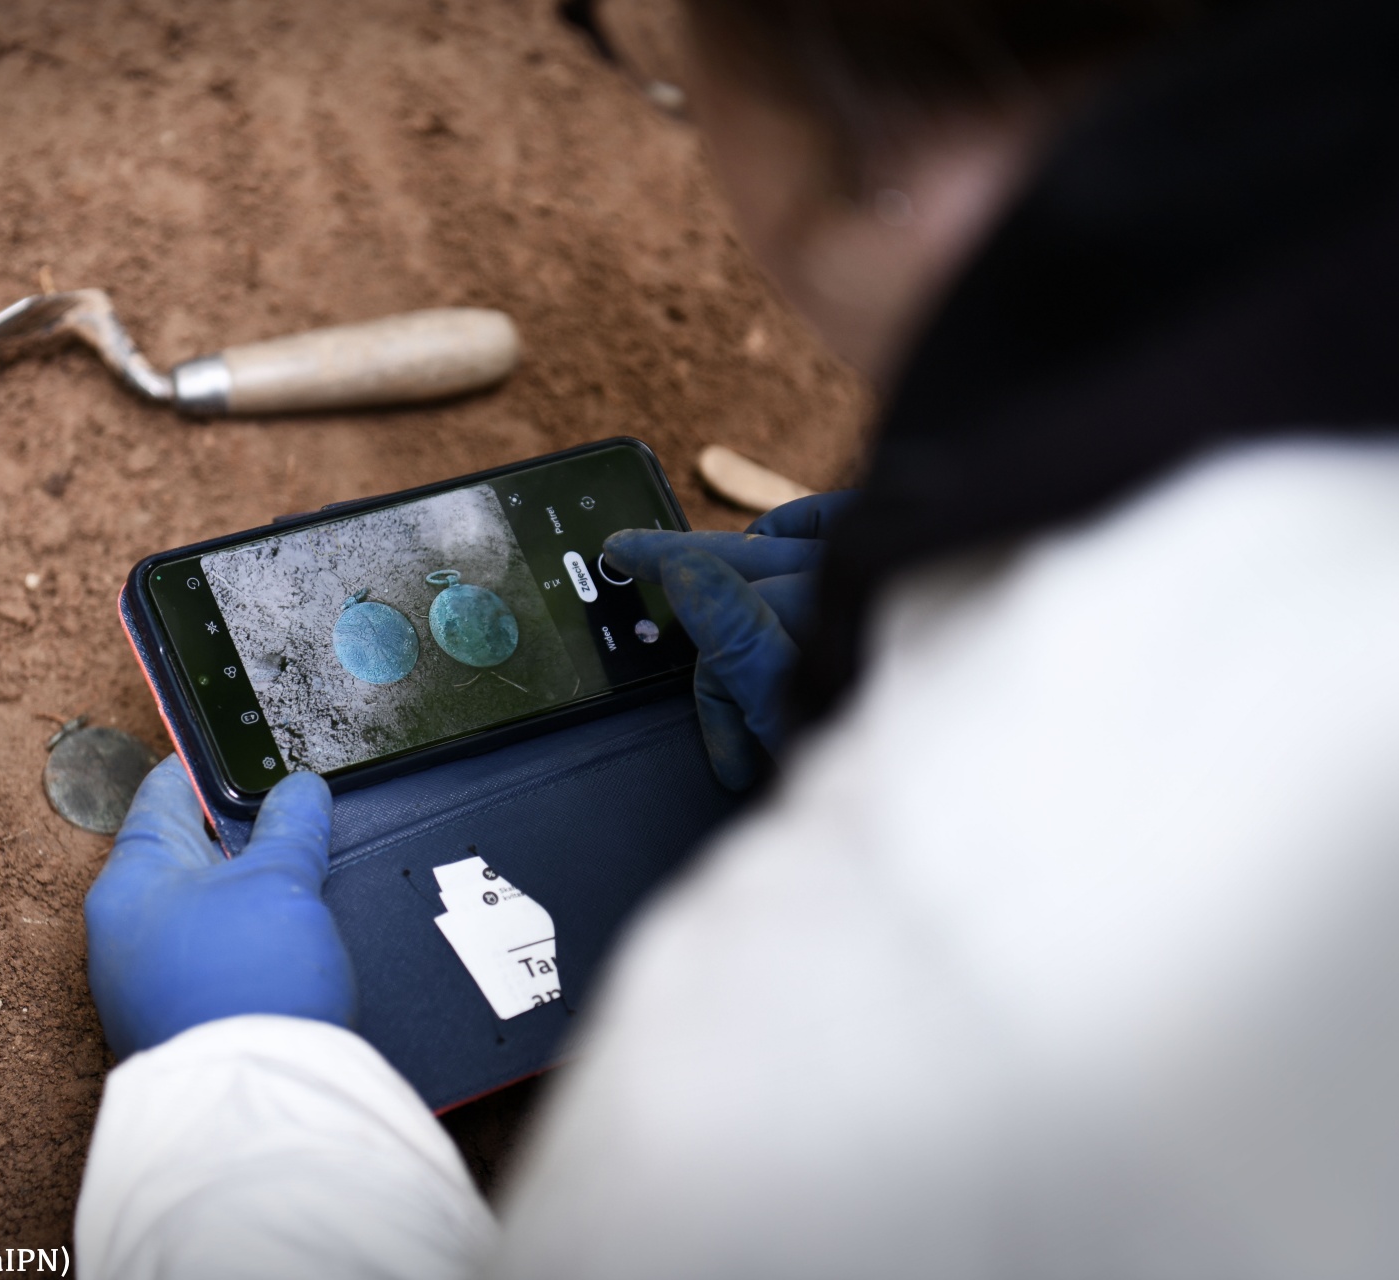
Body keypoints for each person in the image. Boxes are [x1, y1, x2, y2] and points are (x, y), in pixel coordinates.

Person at [75, 0, 1399, 1274]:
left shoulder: (847, 1008)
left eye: (655, 46)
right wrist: (952, 597)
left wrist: (240, 1089)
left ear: (870, 140)